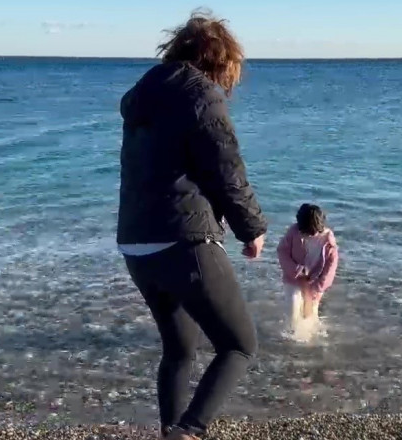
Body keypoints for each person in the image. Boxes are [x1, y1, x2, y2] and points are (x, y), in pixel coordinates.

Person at [115, 9, 268, 440]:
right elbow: (225, 171)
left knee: (180, 351)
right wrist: (251, 229)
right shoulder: (202, 96)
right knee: (239, 345)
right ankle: (191, 430)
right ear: (221, 60)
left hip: (137, 244)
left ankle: (171, 433)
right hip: (184, 240)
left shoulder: (145, 97)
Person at [276, 204, 339, 336]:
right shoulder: (294, 232)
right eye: (305, 232)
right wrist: (295, 270)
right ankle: (291, 336)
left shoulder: (328, 241)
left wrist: (319, 286)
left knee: (310, 312)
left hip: (315, 280)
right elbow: (282, 251)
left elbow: (331, 266)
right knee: (293, 305)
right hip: (294, 277)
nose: (310, 235)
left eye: (314, 232)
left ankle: (310, 338)